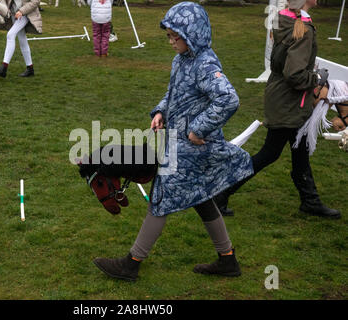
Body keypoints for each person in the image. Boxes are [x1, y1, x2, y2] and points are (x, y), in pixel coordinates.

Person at [93, 2, 254, 281]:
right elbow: (174, 95)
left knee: (161, 196)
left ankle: (131, 264)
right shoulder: (181, 60)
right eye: (168, 36)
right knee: (202, 199)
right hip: (178, 142)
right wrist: (160, 112)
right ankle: (227, 259)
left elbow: (229, 99)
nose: (170, 41)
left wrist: (199, 129)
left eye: (174, 36)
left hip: (192, 146)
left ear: (191, 34)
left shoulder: (204, 64)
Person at [213, 0, 341, 219]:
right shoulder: (303, 29)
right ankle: (221, 193)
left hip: (282, 97)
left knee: (300, 151)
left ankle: (310, 201)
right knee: (269, 154)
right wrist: (317, 78)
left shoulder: (286, 20)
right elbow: (295, 74)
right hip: (289, 103)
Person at [0, 0, 42, 78]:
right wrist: (4, 9)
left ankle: (4, 68)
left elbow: (36, 1)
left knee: (10, 35)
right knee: (22, 40)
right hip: (14, 14)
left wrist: (21, 11)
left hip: (25, 14)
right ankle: (30, 69)